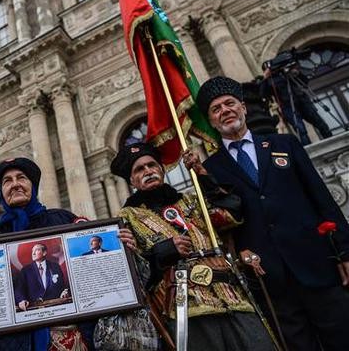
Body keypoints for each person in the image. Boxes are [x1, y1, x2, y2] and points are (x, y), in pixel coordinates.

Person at [198, 76, 349, 351]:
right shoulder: (210, 169)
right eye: (216, 109)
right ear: (211, 121)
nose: (225, 110)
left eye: (230, 103)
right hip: (268, 277)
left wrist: (345, 251)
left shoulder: (283, 144)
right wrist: (240, 251)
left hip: (316, 263)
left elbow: (322, 198)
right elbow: (222, 223)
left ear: (243, 108)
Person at [110, 141, 274, 351]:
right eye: (140, 170)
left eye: (152, 165)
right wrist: (164, 251)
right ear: (132, 180)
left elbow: (231, 214)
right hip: (185, 308)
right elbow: (135, 274)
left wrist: (203, 174)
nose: (148, 171)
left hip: (231, 296)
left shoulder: (191, 201)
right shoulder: (127, 217)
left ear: (161, 169)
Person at [0, 157, 95, 351]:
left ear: (33, 185)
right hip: (17, 343)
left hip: (73, 338)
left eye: (21, 178)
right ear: (1, 193)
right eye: (7, 181)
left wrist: (122, 245)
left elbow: (91, 265)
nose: (15, 185)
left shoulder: (63, 219)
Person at [261, 67, 332, 144]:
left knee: (320, 123)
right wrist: (265, 78)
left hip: (302, 101)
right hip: (288, 106)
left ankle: (332, 141)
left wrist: (297, 72)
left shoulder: (288, 72)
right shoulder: (270, 80)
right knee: (301, 131)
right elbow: (263, 94)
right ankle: (309, 150)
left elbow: (305, 82)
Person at [15, 243, 70, 311]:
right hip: (34, 309)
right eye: (32, 251)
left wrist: (64, 292)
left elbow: (62, 286)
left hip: (55, 307)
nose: (33, 253)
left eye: (36, 250)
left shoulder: (55, 267)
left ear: (44, 253)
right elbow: (19, 289)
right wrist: (21, 300)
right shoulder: (26, 270)